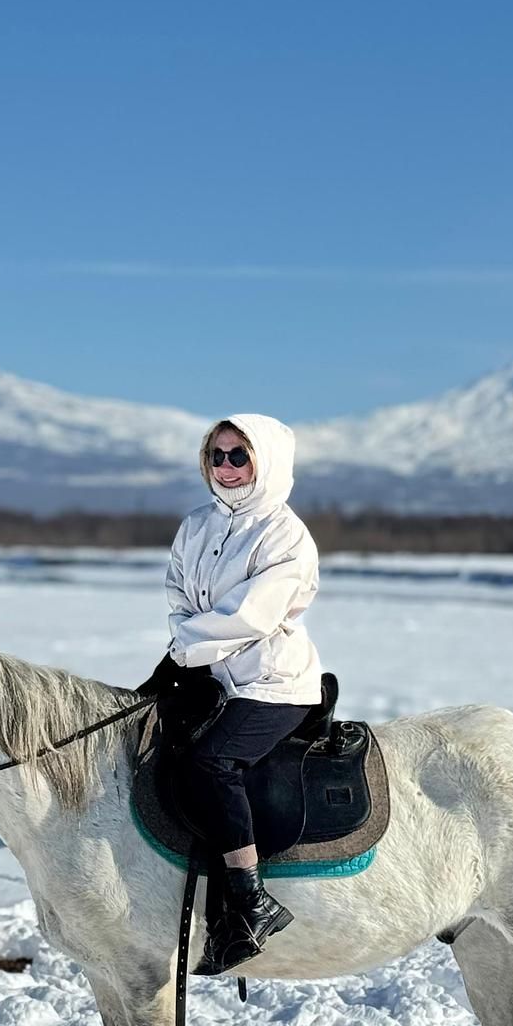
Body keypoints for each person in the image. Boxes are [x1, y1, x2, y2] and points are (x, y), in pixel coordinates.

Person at [135, 413, 328, 972]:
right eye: (216, 456)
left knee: (211, 762)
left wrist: (185, 652)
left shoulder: (285, 535)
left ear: (264, 461)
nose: (225, 467)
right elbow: (178, 594)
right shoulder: (195, 524)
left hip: (273, 683)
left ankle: (249, 898)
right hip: (209, 680)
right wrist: (186, 652)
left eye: (237, 456)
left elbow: (250, 614)